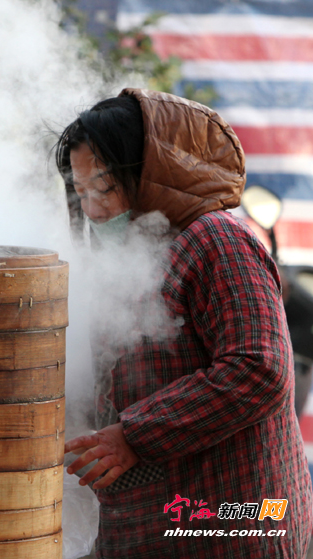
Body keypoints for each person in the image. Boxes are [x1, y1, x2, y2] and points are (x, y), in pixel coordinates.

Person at [56, 88, 313, 558]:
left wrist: (135, 436)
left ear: (151, 173)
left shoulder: (216, 240)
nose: (92, 209)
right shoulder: (127, 263)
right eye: (82, 191)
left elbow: (259, 369)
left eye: (105, 188)